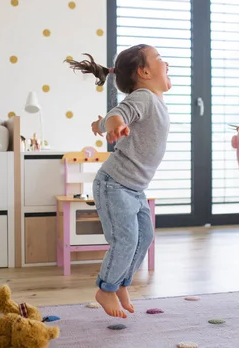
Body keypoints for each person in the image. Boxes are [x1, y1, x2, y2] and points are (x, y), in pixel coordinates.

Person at [65, 45, 171, 318]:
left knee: (144, 237)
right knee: (126, 239)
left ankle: (122, 282)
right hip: (115, 185)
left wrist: (102, 124)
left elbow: (116, 117)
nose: (166, 62)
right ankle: (106, 288)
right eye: (159, 59)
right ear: (144, 72)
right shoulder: (144, 97)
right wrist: (112, 123)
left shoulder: (153, 101)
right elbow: (120, 113)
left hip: (134, 188)